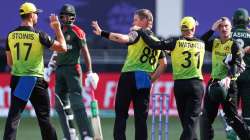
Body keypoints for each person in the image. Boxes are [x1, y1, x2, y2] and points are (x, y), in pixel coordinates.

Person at [92, 9, 167, 140]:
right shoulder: (156, 40)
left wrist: (102, 33)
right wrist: (152, 79)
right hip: (144, 78)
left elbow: (123, 38)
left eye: (136, 19)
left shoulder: (137, 32)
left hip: (129, 76)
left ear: (145, 21)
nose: (133, 22)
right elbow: (164, 63)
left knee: (121, 114)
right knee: (141, 118)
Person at [134, 16, 206, 140]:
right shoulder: (201, 43)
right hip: (196, 85)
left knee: (186, 123)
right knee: (190, 123)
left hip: (180, 85)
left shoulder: (175, 43)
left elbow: (154, 44)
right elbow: (193, 43)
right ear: (193, 28)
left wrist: (141, 31)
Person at [3, 2, 67, 140]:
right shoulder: (39, 35)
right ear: (31, 15)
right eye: (36, 14)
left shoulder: (10, 35)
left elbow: (10, 62)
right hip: (34, 80)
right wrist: (57, 29)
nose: (37, 16)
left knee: (13, 118)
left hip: (18, 79)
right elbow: (63, 48)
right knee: (44, 119)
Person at [44, 3, 99, 140]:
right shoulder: (59, 32)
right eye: (63, 15)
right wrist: (50, 67)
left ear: (73, 17)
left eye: (68, 15)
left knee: (76, 103)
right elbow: (57, 52)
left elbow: (85, 52)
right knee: (59, 104)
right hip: (60, 71)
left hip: (73, 69)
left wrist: (90, 71)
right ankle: (71, 134)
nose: (65, 18)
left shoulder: (77, 31)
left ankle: (87, 135)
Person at [199, 17, 250, 140]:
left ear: (231, 28)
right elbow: (200, 42)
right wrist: (212, 29)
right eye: (221, 26)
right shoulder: (215, 42)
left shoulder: (234, 45)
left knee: (232, 119)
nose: (224, 28)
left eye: (226, 26)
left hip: (228, 84)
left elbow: (238, 64)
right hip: (213, 82)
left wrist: (228, 77)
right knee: (206, 118)